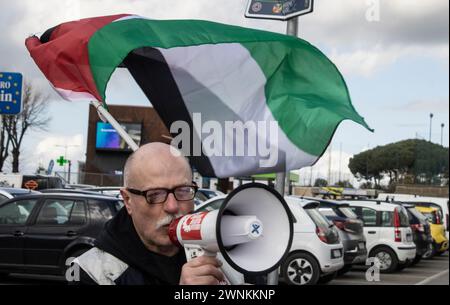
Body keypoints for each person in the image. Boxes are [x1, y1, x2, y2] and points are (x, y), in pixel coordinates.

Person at [71, 142, 225, 285]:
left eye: (183, 191)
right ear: (128, 200)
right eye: (155, 194)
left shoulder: (219, 249)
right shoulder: (89, 271)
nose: (172, 207)